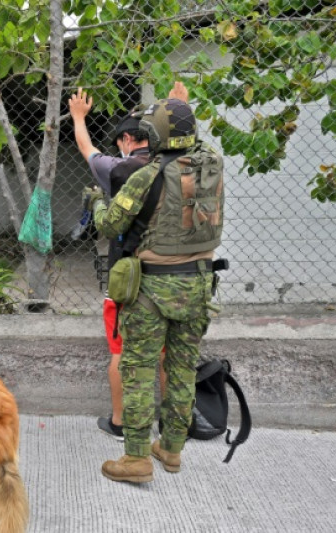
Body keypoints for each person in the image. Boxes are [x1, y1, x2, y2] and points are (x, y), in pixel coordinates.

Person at [88, 91, 224, 483]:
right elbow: (193, 141)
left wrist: (97, 201)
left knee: (139, 369)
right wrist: (181, 109)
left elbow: (110, 225)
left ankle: (135, 459)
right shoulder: (213, 164)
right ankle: (171, 449)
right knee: (181, 370)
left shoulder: (147, 175)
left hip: (154, 289)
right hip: (199, 284)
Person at [69, 83, 188, 441]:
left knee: (122, 352)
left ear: (123, 141)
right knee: (168, 353)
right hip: (173, 274)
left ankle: (121, 422)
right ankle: (171, 423)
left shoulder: (117, 169)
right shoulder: (177, 164)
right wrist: (178, 108)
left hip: (129, 279)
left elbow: (86, 148)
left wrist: (78, 117)